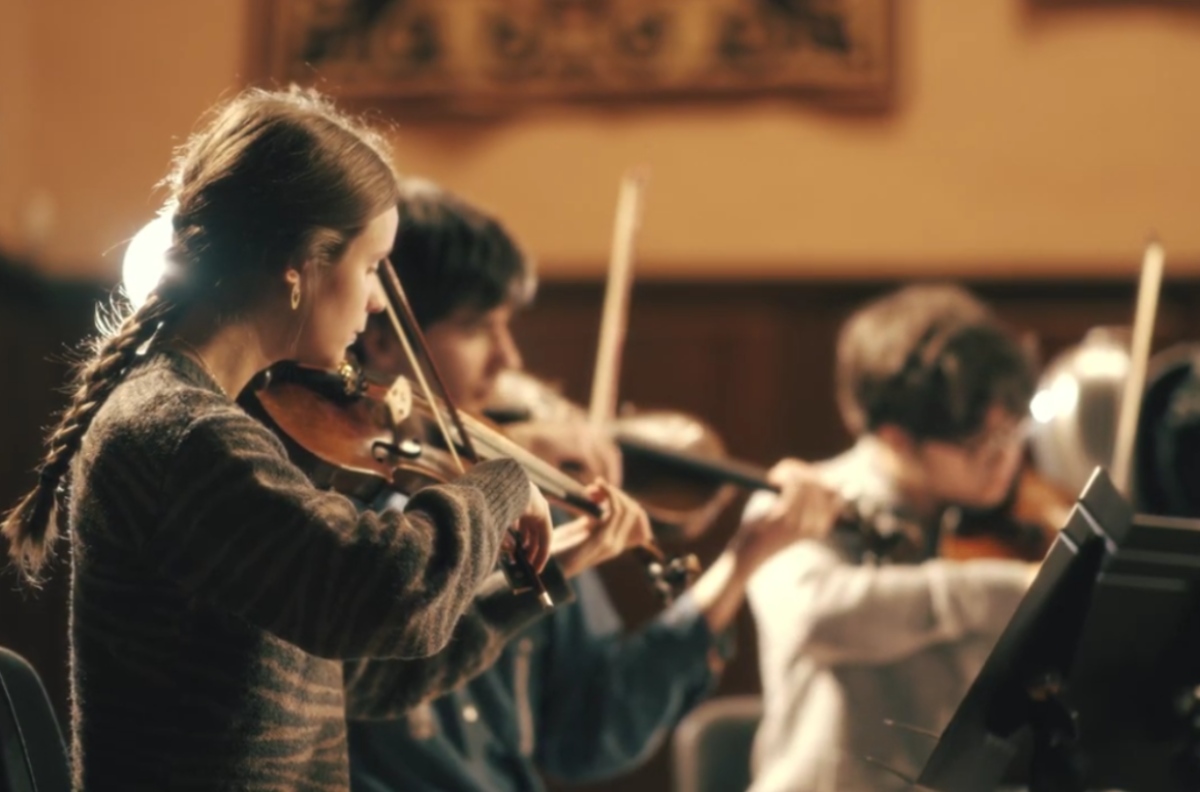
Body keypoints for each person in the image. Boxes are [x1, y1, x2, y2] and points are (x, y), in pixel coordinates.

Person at [0, 87, 560, 792]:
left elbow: (351, 673)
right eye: (370, 266)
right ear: (299, 264)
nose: (378, 300)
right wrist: (503, 485)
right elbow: (387, 592)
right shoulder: (182, 434)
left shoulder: (196, 422)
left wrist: (527, 585)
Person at [346, 180, 841, 792]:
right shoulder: (339, 507)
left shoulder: (532, 507)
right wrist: (498, 478)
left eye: (507, 325)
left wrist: (742, 562)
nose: (508, 359)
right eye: (477, 328)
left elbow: (591, 732)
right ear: (380, 335)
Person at [746, 284, 1041, 792]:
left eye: (1012, 430)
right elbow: (816, 616)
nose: (1004, 457)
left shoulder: (993, 520)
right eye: (977, 441)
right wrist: (1005, 589)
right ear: (896, 438)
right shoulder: (797, 506)